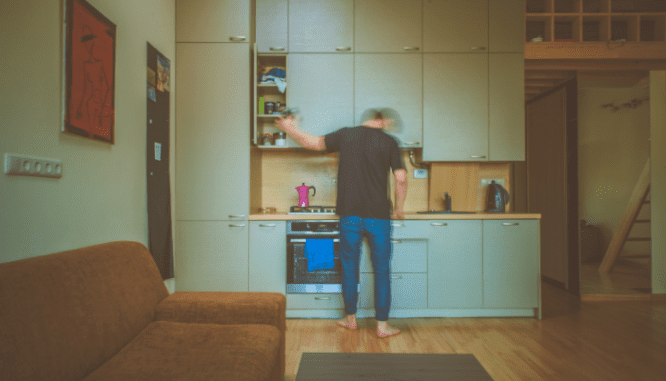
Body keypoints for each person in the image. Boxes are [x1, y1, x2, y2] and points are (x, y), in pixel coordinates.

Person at [275, 109, 407, 338]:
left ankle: (350, 319)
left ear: (366, 119)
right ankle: (383, 326)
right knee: (382, 270)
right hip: (379, 217)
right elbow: (401, 178)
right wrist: (399, 207)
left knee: (349, 267)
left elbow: (314, 143)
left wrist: (290, 128)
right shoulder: (390, 142)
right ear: (383, 121)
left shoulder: (347, 135)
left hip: (349, 214)